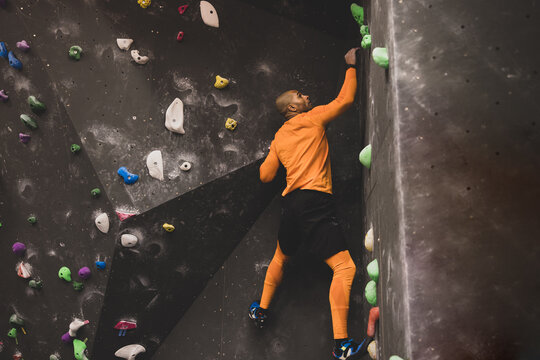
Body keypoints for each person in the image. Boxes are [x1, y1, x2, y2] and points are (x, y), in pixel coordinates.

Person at [249, 48, 370, 360]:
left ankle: (260, 310)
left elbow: (265, 176)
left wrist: (282, 151)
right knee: (344, 268)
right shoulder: (312, 118)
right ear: (293, 106)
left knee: (280, 257)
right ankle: (341, 345)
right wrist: (351, 66)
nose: (306, 97)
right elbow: (344, 101)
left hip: (291, 205)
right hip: (315, 201)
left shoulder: (279, 137)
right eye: (301, 95)